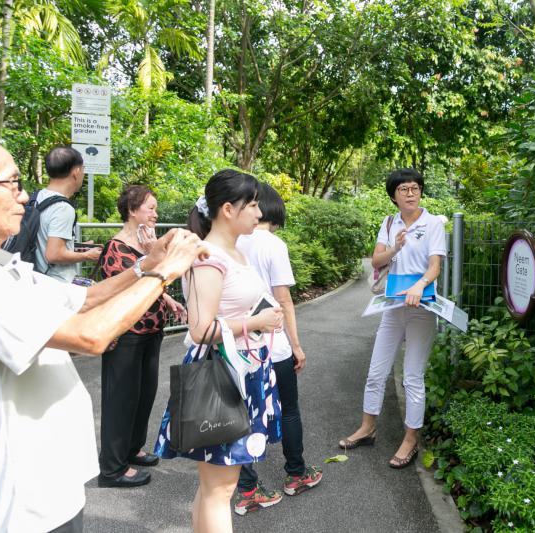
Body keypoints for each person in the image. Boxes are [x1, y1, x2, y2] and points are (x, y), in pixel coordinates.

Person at [0, 127, 206, 533]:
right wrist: (165, 275)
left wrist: (146, 265)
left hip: (49, 478)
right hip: (23, 495)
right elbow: (90, 336)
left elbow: (85, 298)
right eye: (12, 184)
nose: (25, 197)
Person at [154, 169, 284, 533]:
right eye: (254, 205)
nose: (259, 214)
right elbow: (200, 329)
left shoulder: (233, 252)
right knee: (220, 489)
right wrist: (256, 324)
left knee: (214, 487)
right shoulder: (208, 257)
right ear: (228, 208)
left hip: (243, 372)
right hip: (224, 376)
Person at [339, 168, 446, 468]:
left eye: (415, 188)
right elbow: (376, 260)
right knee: (376, 371)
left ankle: (411, 439)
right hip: (393, 306)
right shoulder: (389, 223)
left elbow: (435, 266)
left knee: (412, 376)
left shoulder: (433, 223)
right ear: (394, 196)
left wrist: (420, 285)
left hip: (422, 308)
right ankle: (367, 426)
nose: (411, 193)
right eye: (404, 190)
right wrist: (396, 247)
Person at [233, 183, 323, 515]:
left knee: (244, 414)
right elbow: (283, 299)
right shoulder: (273, 244)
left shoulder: (231, 242)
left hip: (240, 344)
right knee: (289, 408)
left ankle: (247, 487)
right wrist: (297, 346)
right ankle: (295, 474)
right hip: (274, 344)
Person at [96, 184, 187, 488]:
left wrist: (169, 300)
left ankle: (132, 449)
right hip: (127, 335)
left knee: (143, 396)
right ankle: (112, 468)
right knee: (120, 400)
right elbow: (121, 290)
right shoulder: (116, 247)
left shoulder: (145, 247)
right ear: (132, 211)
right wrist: (151, 259)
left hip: (152, 332)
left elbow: (155, 284)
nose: (155, 214)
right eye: (150, 208)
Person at [35, 146, 101, 281]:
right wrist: (87, 256)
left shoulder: (38, 197)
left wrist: (76, 247)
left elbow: (45, 241)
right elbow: (53, 254)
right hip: (57, 284)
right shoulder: (63, 208)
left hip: (37, 277)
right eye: (83, 170)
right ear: (76, 172)